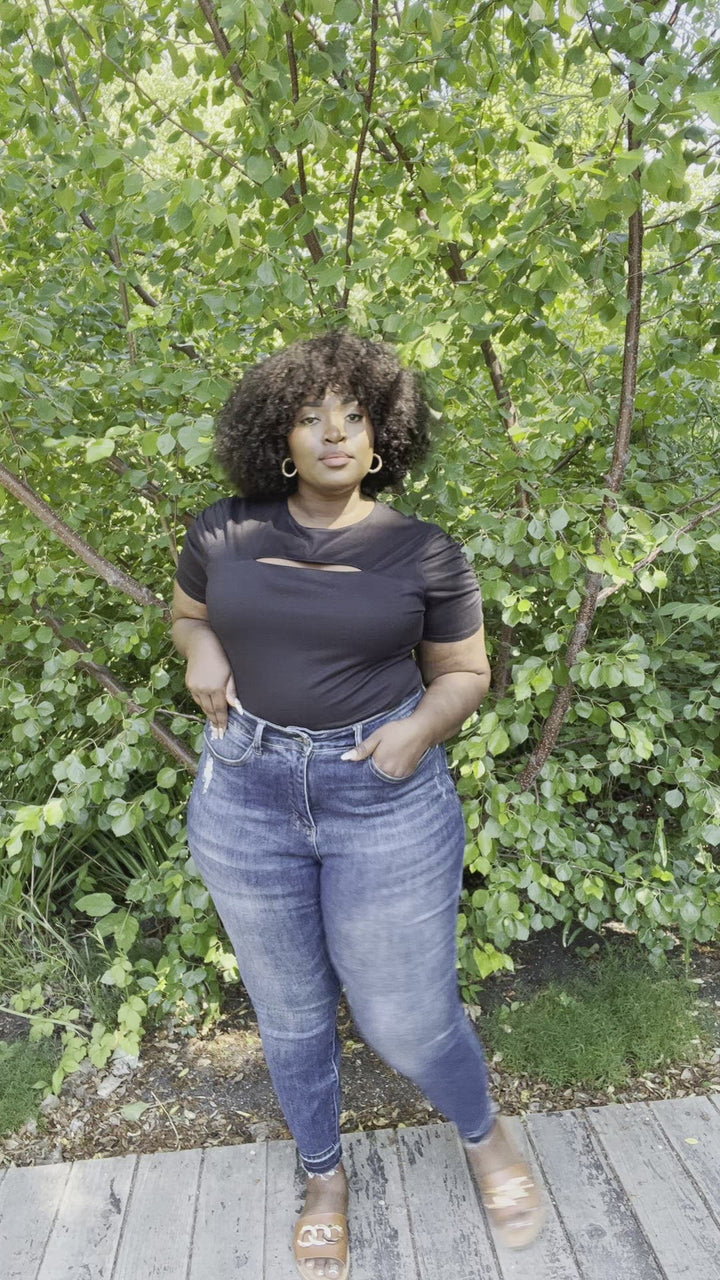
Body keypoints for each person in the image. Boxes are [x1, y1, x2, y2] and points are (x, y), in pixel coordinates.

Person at [171, 332, 544, 1278]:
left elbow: (465, 674)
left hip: (382, 795)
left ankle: (483, 1132)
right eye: (310, 417)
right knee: (291, 1015)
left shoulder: (426, 552)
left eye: (353, 415)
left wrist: (417, 734)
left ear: (383, 438)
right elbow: (189, 613)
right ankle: (324, 1177)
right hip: (246, 794)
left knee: (406, 1015)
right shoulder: (222, 531)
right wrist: (200, 651)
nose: (333, 433)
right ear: (280, 437)